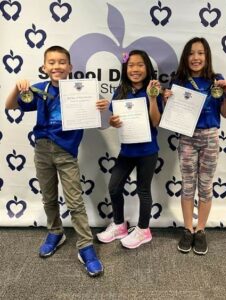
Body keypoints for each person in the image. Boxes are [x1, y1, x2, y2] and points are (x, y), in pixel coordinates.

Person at [5, 45, 108, 276]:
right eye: (51, 62)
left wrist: (102, 107)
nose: (57, 66)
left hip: (66, 152)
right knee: (48, 196)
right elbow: (9, 106)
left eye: (62, 62)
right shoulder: (38, 90)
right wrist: (16, 87)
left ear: (70, 67)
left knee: (75, 201)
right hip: (42, 150)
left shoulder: (82, 91)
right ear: (44, 67)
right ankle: (55, 231)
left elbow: (103, 121)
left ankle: (85, 246)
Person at [164, 37, 226, 255]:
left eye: (201, 53)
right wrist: (167, 101)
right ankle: (187, 229)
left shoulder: (216, 81)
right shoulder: (179, 81)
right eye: (192, 53)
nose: (196, 57)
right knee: (187, 184)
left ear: (207, 56)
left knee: (205, 185)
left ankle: (200, 230)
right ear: (186, 56)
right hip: (187, 138)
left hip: (210, 137)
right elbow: (172, 114)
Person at [97, 49, 163, 249]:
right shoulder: (121, 90)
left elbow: (156, 121)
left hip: (147, 151)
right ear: (125, 68)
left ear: (147, 68)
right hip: (127, 151)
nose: (135, 69)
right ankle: (119, 225)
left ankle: (144, 230)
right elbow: (115, 119)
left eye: (140, 65)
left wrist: (153, 98)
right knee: (114, 187)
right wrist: (113, 121)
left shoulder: (154, 89)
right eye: (131, 65)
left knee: (143, 190)